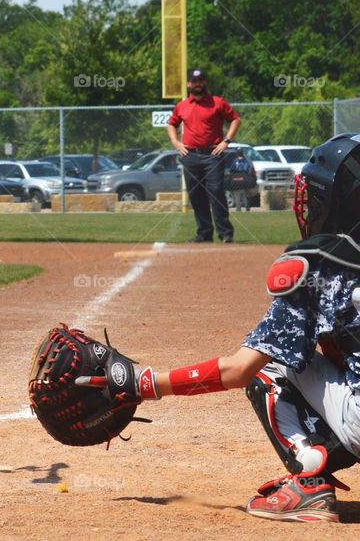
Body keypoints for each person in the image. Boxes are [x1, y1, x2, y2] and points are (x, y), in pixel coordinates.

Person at [87, 133, 360, 523]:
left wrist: (145, 384)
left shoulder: (318, 266)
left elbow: (239, 369)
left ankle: (308, 481)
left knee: (273, 364)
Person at [167, 68, 241, 243]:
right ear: (188, 84)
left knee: (216, 192)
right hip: (190, 155)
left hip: (212, 154)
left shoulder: (217, 102)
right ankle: (204, 233)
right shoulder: (182, 105)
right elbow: (172, 124)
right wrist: (176, 143)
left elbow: (236, 119)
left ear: (205, 82)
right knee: (196, 194)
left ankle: (225, 234)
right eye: (194, 81)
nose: (197, 84)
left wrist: (226, 141)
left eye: (200, 80)